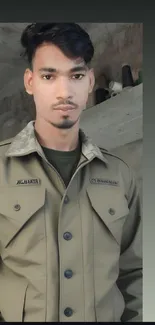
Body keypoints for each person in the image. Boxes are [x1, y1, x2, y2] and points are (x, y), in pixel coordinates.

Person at [0, 23, 142, 322]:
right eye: (49, 76)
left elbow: (136, 274)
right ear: (29, 82)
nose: (64, 91)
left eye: (76, 75)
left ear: (90, 81)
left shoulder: (120, 175)